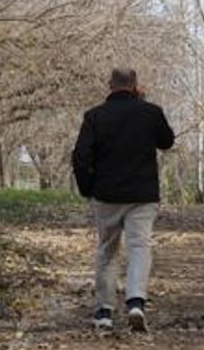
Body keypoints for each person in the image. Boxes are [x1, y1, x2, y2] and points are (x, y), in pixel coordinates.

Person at [72, 68, 175, 332]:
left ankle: (104, 311)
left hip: (107, 195)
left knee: (107, 249)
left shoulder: (94, 116)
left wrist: (88, 189)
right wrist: (143, 104)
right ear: (135, 86)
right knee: (140, 247)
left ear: (110, 85)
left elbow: (81, 157)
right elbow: (167, 141)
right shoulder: (151, 112)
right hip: (142, 195)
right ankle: (135, 302)